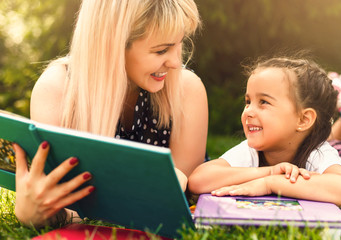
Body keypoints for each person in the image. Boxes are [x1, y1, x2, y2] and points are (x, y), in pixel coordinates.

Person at [12, 0, 208, 228]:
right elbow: (60, 206)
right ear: (112, 46)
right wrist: (37, 214)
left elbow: (177, 204)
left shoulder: (186, 90)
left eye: (179, 43)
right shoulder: (57, 90)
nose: (176, 62)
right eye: (161, 50)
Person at [188, 57, 341, 208]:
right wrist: (270, 172)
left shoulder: (318, 153)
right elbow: (198, 180)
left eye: (263, 102)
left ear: (303, 119)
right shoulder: (250, 151)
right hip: (318, 137)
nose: (248, 111)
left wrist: (270, 183)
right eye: (248, 101)